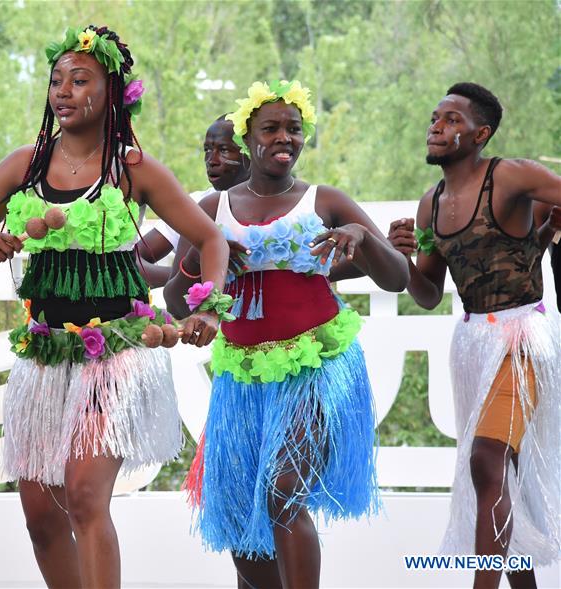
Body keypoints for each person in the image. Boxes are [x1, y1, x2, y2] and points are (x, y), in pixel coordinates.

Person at [0, 25, 228, 588]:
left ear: (113, 92)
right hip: (45, 355)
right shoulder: (24, 164)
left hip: (117, 355)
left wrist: (209, 308)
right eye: (57, 81)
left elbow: (213, 239)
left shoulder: (134, 169)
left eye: (81, 80)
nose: (64, 91)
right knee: (40, 513)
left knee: (83, 496)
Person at [166, 80, 409, 589]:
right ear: (246, 137)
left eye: (294, 129)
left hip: (317, 365)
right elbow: (173, 298)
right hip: (243, 374)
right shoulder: (215, 209)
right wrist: (199, 260)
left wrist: (362, 239)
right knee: (240, 526)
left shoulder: (325, 200)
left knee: (282, 491)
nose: (284, 137)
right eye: (271, 128)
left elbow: (397, 278)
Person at [387, 82, 561, 589]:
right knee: (501, 472)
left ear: (480, 133)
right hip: (471, 343)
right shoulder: (430, 203)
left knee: (487, 460)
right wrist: (402, 257)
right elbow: (425, 292)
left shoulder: (510, 176)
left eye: (452, 120)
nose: (437, 126)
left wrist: (550, 233)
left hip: (522, 335)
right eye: (435, 117)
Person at [136, 116, 249, 286]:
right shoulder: (193, 205)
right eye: (207, 150)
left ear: (252, 151)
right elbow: (133, 261)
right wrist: (194, 276)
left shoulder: (292, 205)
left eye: (224, 150)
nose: (211, 160)